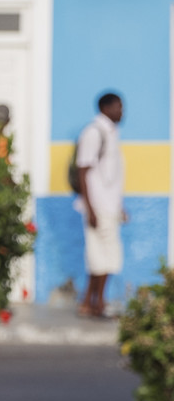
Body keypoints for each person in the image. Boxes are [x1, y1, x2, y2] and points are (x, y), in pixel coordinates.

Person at [74, 91, 127, 319]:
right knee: (101, 256)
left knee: (105, 257)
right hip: (98, 207)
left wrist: (118, 207)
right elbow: (83, 171)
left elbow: (111, 176)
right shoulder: (94, 133)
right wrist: (91, 209)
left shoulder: (111, 133)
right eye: (118, 107)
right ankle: (96, 303)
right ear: (106, 108)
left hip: (109, 207)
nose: (122, 111)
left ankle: (92, 302)